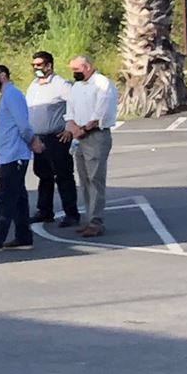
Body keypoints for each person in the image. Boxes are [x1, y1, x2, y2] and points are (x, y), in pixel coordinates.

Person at [0, 66, 38, 251]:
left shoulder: (12, 95)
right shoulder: (6, 96)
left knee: (7, 198)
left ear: (3, 76)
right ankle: (23, 237)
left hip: (15, 155)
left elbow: (23, 125)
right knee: (18, 198)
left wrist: (33, 141)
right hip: (7, 154)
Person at [68, 54, 119, 238]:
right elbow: (70, 110)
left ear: (87, 67)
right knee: (84, 179)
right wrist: (73, 126)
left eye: (76, 70)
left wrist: (84, 128)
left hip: (96, 135)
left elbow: (101, 113)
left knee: (95, 178)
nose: (74, 73)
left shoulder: (103, 84)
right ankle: (89, 218)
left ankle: (96, 221)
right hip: (79, 136)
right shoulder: (76, 87)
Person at [26, 52, 79, 230]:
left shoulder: (60, 84)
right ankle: (44, 211)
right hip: (38, 138)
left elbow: (75, 104)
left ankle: (71, 213)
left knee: (63, 175)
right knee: (43, 175)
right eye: (33, 65)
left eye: (39, 65)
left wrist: (70, 127)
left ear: (49, 66)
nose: (36, 68)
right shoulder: (33, 85)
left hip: (56, 137)